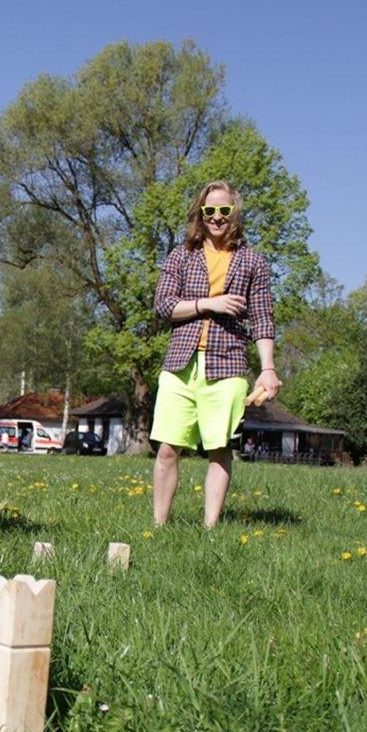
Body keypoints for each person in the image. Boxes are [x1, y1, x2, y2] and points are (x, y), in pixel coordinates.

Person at [151, 179, 279, 527]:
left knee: (220, 450)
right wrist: (210, 304)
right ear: (200, 213)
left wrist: (267, 369)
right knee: (167, 449)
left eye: (224, 210)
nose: (217, 218)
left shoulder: (253, 261)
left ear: (234, 213)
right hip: (180, 364)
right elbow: (163, 305)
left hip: (229, 365)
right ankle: (159, 526)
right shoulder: (181, 255)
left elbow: (263, 319)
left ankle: (210, 529)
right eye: (210, 210)